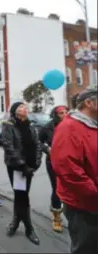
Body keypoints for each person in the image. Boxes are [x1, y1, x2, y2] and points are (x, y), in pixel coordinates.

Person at [51, 89, 98, 254]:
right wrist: (94, 193)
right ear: (89, 103)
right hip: (84, 205)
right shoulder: (69, 127)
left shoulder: (93, 125)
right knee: (87, 247)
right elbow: (68, 169)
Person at [2, 102, 42, 245]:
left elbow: (38, 144)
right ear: (15, 111)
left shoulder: (31, 126)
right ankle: (29, 229)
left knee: (21, 196)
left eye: (26, 106)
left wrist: (37, 162)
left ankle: (15, 221)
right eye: (21, 107)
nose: (25, 108)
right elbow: (8, 146)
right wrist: (22, 165)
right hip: (17, 167)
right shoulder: (8, 125)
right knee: (22, 196)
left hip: (30, 167)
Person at [38, 105, 68, 233]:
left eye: (66, 112)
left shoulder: (72, 125)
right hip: (53, 161)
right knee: (57, 188)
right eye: (61, 113)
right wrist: (47, 149)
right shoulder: (48, 127)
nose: (65, 115)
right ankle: (56, 218)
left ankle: (73, 217)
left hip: (70, 161)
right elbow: (38, 142)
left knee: (70, 189)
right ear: (56, 115)